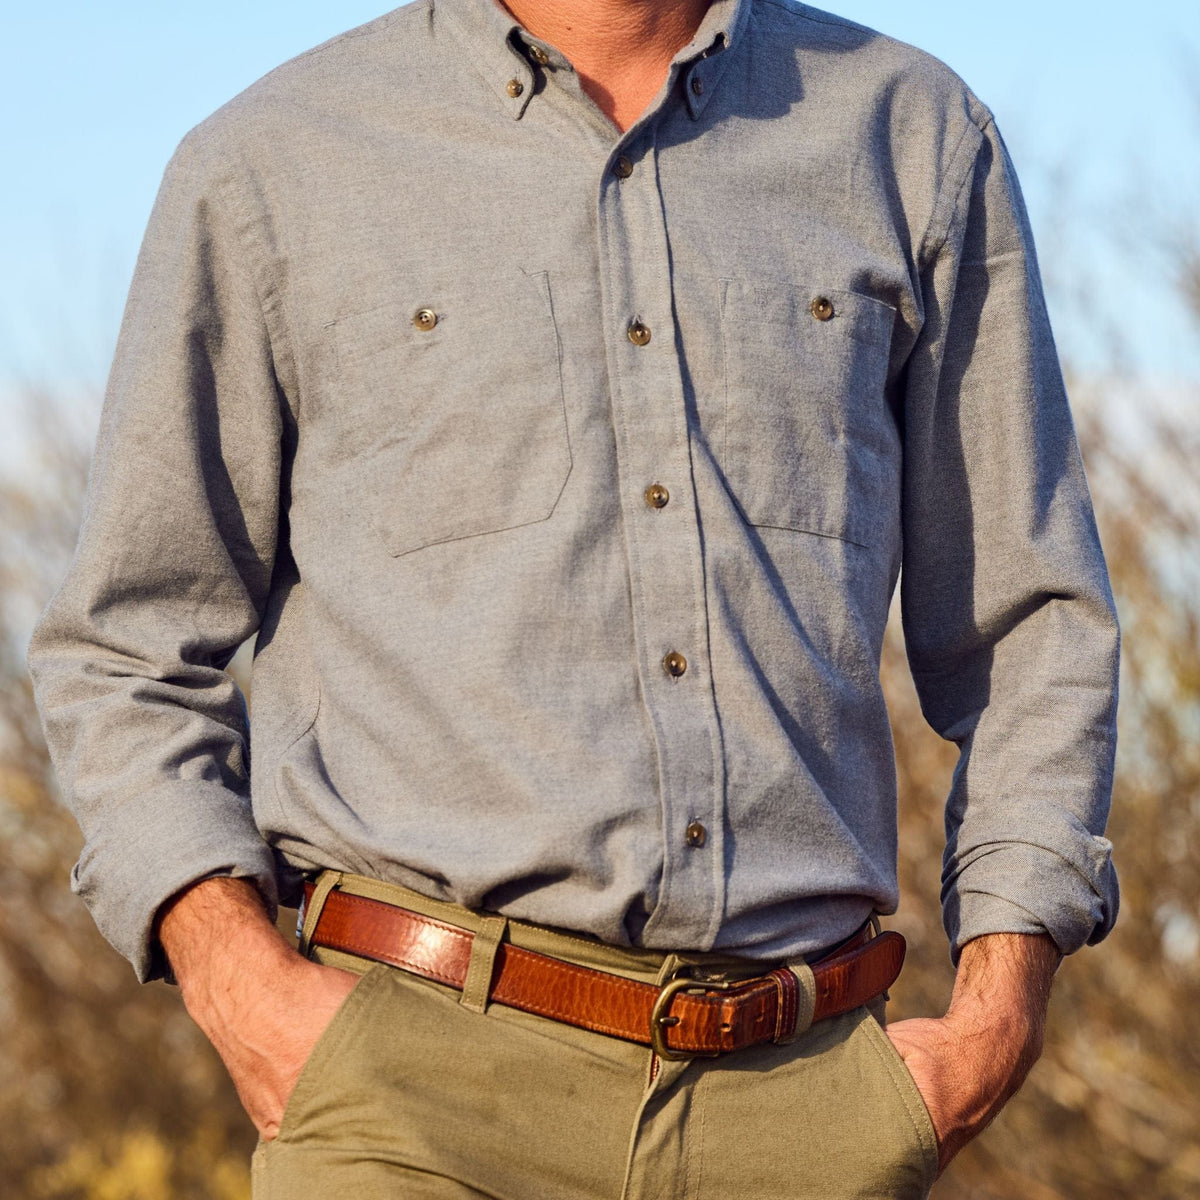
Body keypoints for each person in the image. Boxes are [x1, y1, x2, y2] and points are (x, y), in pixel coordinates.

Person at [27, 0, 1120, 1196]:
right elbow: (123, 648)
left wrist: (993, 1022)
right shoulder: (272, 164)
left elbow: (1035, 625)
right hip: (405, 1099)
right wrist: (247, 989)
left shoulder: (912, 135)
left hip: (812, 1110)